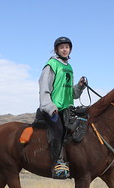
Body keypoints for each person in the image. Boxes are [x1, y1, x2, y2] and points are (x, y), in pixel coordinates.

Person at [39, 36, 86, 179]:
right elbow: (44, 87)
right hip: (53, 108)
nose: (65, 49)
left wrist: (79, 87)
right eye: (62, 47)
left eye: (67, 47)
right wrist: (49, 106)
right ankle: (57, 164)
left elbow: (71, 93)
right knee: (59, 130)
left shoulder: (69, 67)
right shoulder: (51, 65)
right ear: (57, 50)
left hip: (67, 107)